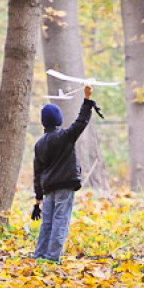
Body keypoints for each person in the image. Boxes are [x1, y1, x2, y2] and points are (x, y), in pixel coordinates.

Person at [31, 85, 98, 262]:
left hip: (48, 189)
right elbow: (81, 122)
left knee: (47, 223)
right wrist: (87, 100)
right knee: (60, 221)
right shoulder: (65, 136)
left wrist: (38, 199)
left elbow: (37, 173)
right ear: (58, 120)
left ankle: (40, 256)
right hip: (65, 188)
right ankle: (52, 258)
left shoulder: (39, 144)